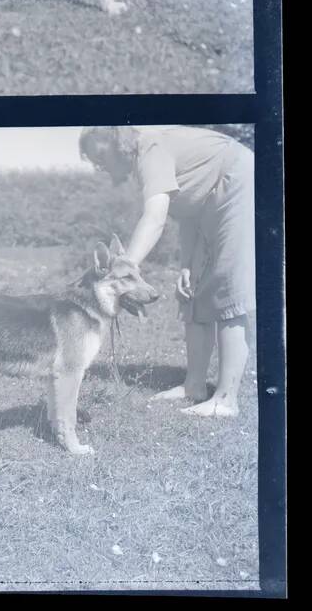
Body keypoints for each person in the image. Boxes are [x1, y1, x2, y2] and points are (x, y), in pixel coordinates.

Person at [79, 125, 255, 418]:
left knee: (227, 285)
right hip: (206, 207)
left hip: (238, 182)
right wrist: (187, 264)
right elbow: (187, 211)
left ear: (117, 141)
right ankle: (194, 387)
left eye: (99, 155)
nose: (99, 166)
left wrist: (125, 269)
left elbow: (155, 218)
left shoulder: (150, 148)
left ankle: (226, 399)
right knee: (191, 290)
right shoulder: (145, 161)